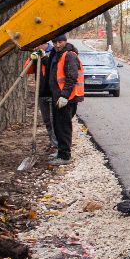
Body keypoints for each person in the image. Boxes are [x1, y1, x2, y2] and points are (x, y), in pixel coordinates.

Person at [48, 32, 85, 164]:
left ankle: (65, 156)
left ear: (65, 41)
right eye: (55, 42)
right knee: (58, 126)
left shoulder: (69, 55)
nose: (57, 45)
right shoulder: (57, 54)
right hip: (58, 97)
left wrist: (64, 96)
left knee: (63, 126)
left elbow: (72, 78)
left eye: (60, 42)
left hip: (67, 98)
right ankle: (61, 152)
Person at [25, 41, 57, 154]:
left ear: (44, 43)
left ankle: (58, 145)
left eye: (38, 45)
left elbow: (53, 69)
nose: (36, 47)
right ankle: (53, 143)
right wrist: (31, 59)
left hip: (53, 93)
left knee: (55, 121)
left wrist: (43, 57)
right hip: (41, 93)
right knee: (47, 121)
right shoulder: (35, 54)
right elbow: (27, 70)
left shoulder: (55, 52)